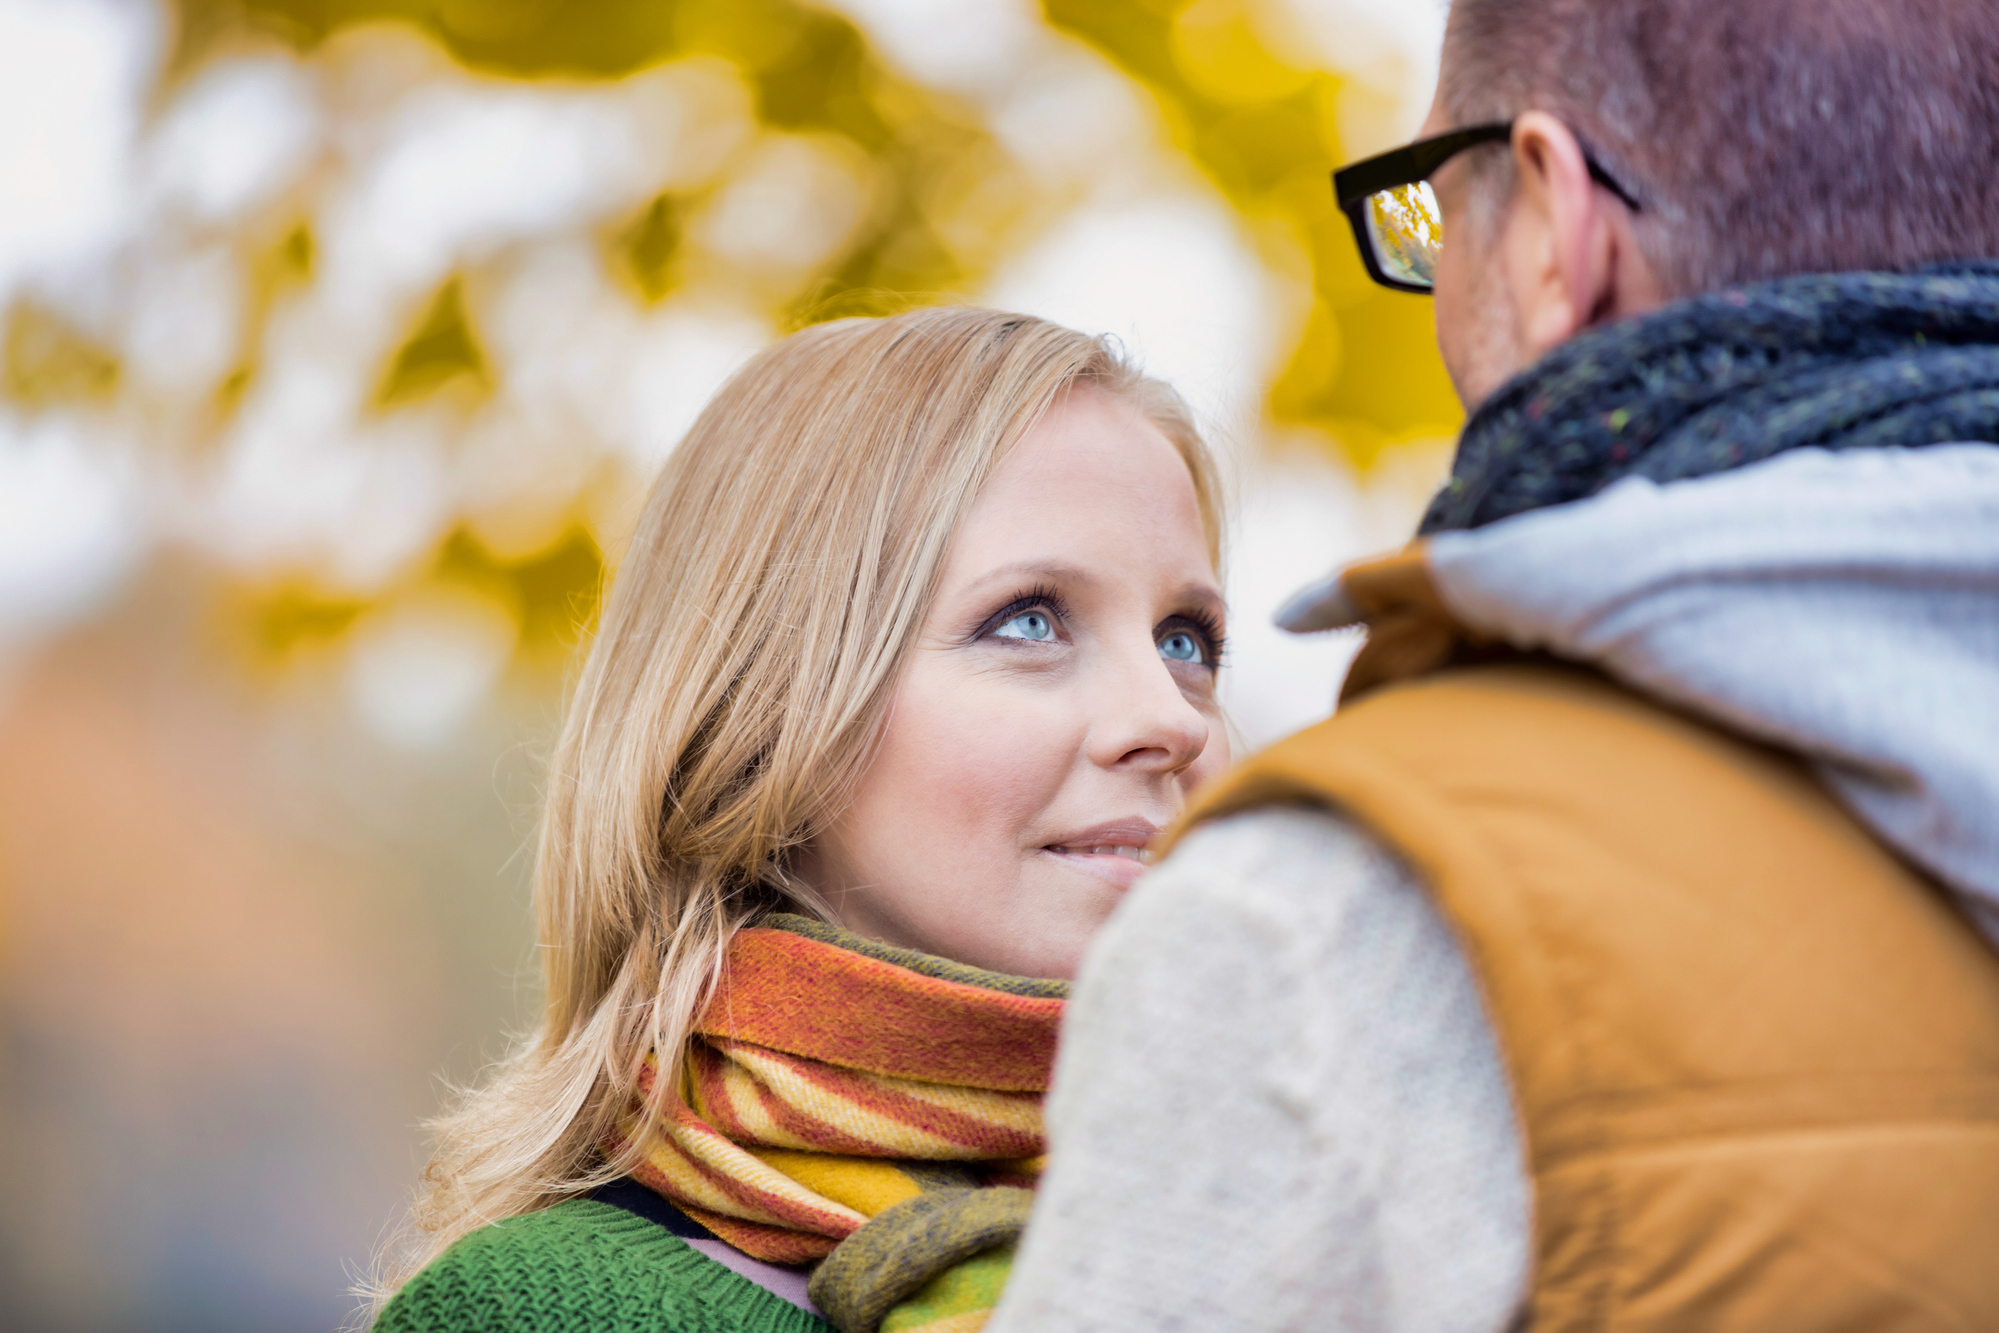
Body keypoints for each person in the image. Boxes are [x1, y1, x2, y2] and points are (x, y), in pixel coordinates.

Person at [988, 2, 1999, 1330]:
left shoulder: (1340, 917)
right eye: (1025, 620)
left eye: (1435, 209)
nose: (1161, 718)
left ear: (1547, 224)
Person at [368, 307, 1232, 1332]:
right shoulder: (544, 1316)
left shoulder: (1328, 1252)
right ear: (768, 716)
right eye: (1030, 619)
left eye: (1186, 639)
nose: (1169, 718)